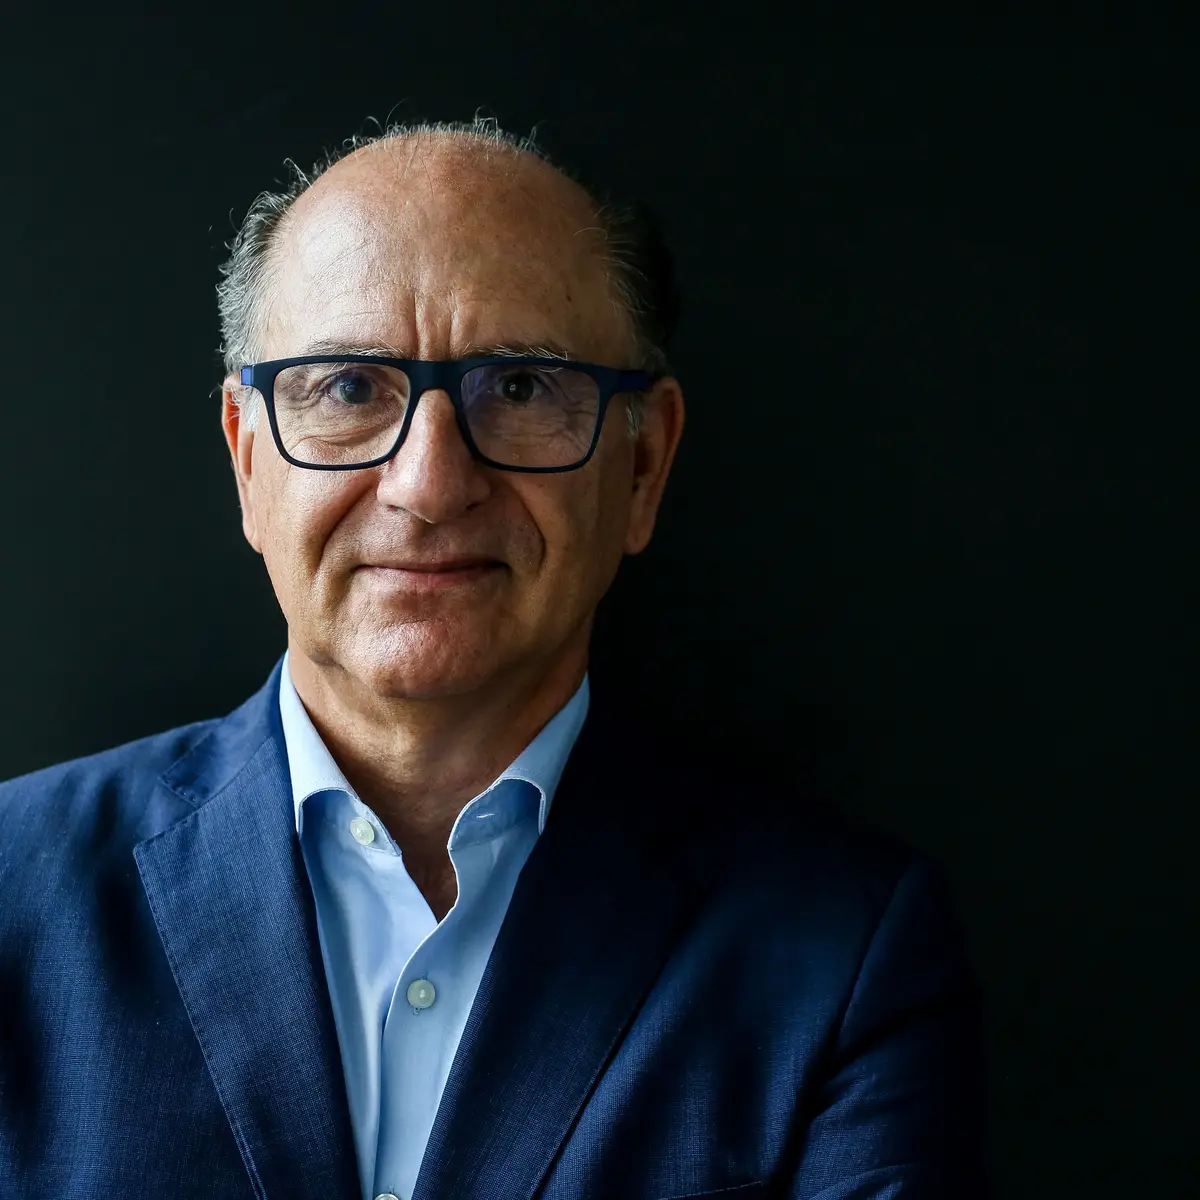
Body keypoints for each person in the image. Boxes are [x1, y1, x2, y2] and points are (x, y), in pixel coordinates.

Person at [0, 118, 989, 1199]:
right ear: (248, 462)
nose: (428, 485)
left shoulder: (845, 955)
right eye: (347, 389)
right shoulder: (14, 890)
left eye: (518, 387)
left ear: (644, 467)